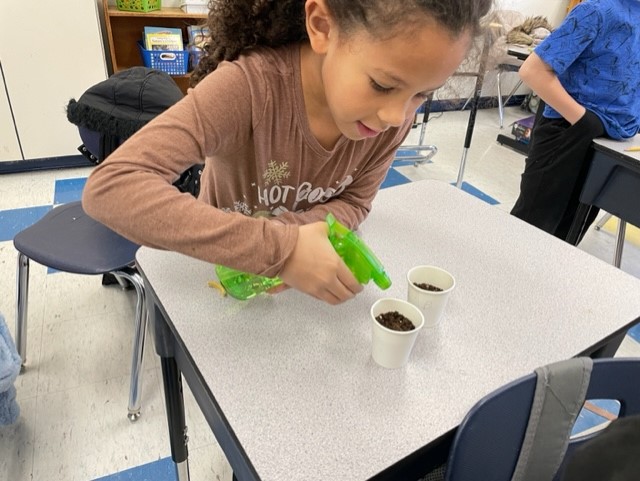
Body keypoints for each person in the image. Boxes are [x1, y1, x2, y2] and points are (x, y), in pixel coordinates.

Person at [82, 0, 491, 305]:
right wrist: (282, 248)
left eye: (422, 94)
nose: (395, 116)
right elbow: (111, 188)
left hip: (293, 290)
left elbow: (355, 202)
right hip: (217, 273)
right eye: (383, 85)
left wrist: (295, 245)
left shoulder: (390, 119)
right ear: (321, 26)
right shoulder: (249, 88)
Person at [510, 0, 640, 243]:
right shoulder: (597, 9)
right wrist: (584, 121)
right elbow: (533, 71)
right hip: (570, 131)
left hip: (611, 142)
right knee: (531, 231)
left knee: (570, 235)